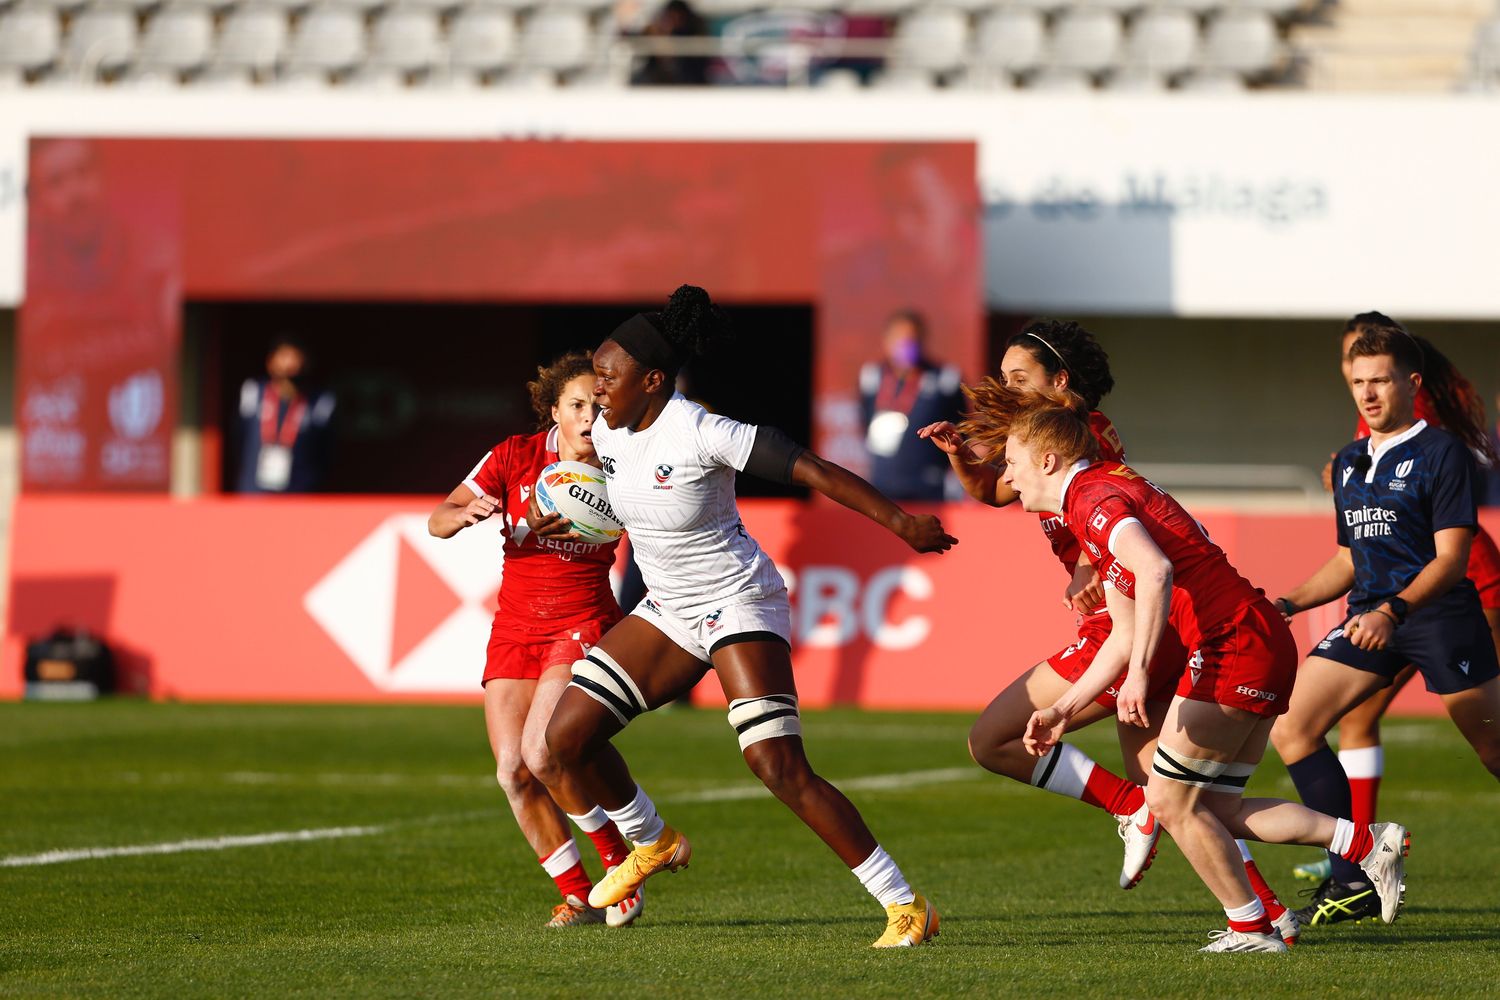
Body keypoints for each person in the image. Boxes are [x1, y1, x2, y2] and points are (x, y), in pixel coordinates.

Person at [544, 285, 957, 948]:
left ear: (652, 380)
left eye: (607, 377)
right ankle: (651, 840)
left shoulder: (702, 429)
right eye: (594, 377)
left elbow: (813, 469)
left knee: (776, 764)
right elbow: (613, 500)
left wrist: (901, 522)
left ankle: (905, 904)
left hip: (737, 598)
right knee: (565, 739)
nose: (596, 392)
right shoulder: (608, 430)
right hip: (669, 608)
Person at [962, 385, 1409, 954]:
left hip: (1235, 644)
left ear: (1048, 461)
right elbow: (1122, 634)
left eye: (1015, 462)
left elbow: (1154, 572)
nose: (1010, 475)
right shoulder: (1101, 493)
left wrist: (1144, 675)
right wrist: (1062, 708)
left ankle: (1254, 929)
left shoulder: (1092, 498)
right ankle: (1366, 843)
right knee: (1215, 808)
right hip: (1253, 639)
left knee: (1171, 802)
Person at [919, 321, 1177, 893]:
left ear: (1060, 381)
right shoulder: (1040, 438)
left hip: (1122, 622)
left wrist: (1088, 569)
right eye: (1004, 377)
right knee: (1183, 802)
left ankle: (1130, 808)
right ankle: (1348, 847)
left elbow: (1107, 511)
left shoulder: (1086, 435)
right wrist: (962, 455)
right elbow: (990, 492)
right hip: (1129, 617)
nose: (1008, 389)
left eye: (1020, 377)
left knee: (991, 740)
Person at [1270, 320, 1500, 928]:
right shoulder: (1348, 462)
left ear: (1410, 382)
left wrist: (1394, 609)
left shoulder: (1442, 451)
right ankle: (1353, 879)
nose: (1368, 393)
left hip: (1438, 618)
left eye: (1380, 381)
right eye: (1358, 382)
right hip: (1369, 618)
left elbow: (1451, 559)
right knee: (1293, 727)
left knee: (1495, 750)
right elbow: (1349, 559)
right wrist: (1287, 604)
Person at [427, 351, 642, 929]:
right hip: (517, 625)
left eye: (598, 405)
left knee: (542, 752)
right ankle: (579, 897)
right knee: (511, 772)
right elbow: (437, 519)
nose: (591, 417)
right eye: (577, 406)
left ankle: (620, 868)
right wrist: (468, 511)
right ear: (554, 411)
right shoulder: (514, 455)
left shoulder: (626, 462)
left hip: (584, 620)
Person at [858, 310, 962, 502]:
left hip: (929, 487)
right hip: (882, 484)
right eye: (900, 340)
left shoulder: (946, 379)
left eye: (912, 340)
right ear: (886, 341)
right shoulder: (871, 377)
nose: (906, 346)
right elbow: (864, 420)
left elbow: (962, 428)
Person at [235, 337, 335, 493]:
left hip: (299, 491)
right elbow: (238, 436)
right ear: (270, 361)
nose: (289, 364)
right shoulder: (253, 392)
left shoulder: (319, 401)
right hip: (255, 491)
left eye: (294, 357)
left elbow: (325, 451)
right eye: (283, 356)